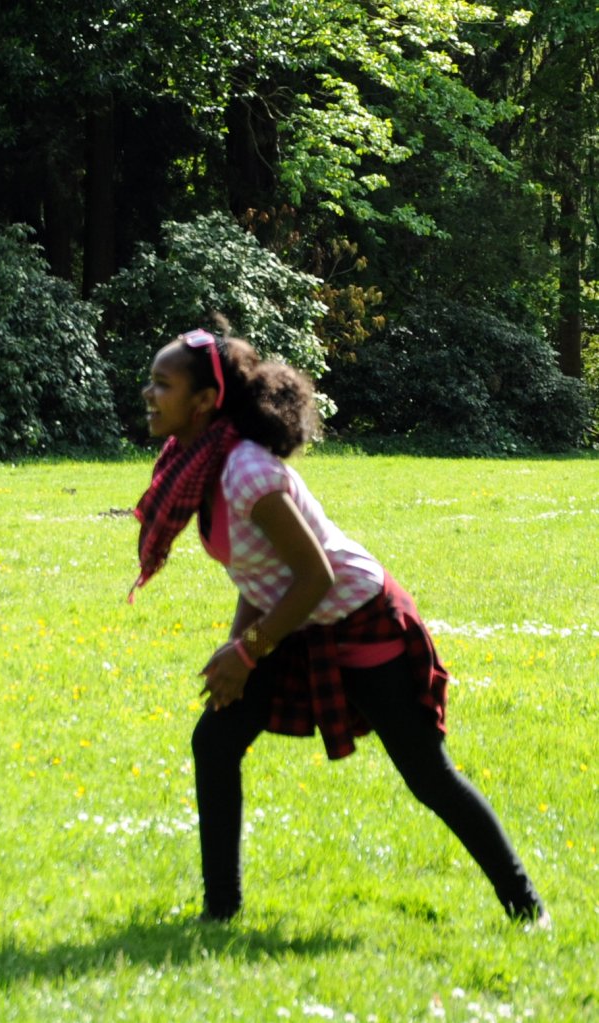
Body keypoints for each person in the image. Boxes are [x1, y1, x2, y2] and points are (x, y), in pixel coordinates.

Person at [130, 317, 546, 926]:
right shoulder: (198, 464)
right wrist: (238, 652)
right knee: (215, 738)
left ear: (205, 402)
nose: (149, 393)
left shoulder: (246, 473)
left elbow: (316, 575)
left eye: (161, 384)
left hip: (361, 619)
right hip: (295, 621)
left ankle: (527, 908)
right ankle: (220, 913)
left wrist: (246, 653)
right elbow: (258, 574)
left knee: (428, 776)